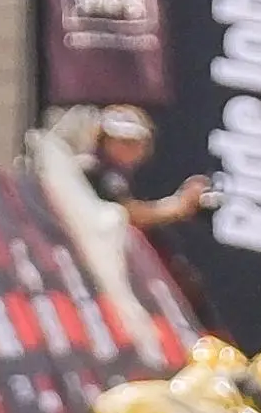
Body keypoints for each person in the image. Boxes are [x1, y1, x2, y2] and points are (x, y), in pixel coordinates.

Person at [85, 106, 222, 330]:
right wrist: (179, 206)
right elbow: (127, 214)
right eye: (116, 140)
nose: (125, 148)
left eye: (132, 141)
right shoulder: (96, 171)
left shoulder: (120, 177)